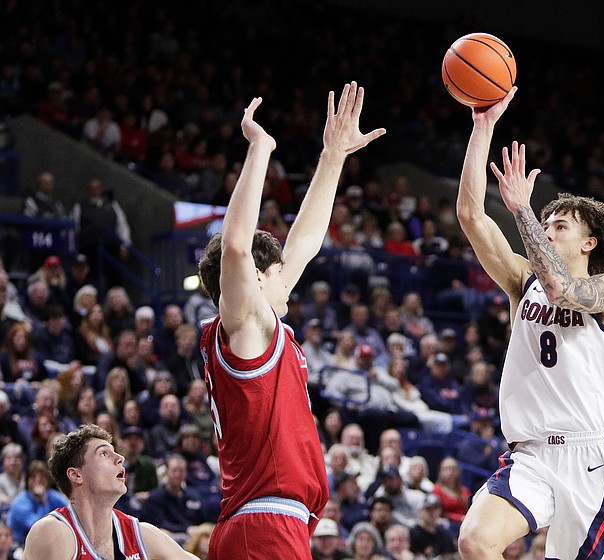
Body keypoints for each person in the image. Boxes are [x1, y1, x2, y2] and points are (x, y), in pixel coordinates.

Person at [196, 84, 385, 560]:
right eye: (280, 271)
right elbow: (236, 245)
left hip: (272, 521)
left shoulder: (261, 328)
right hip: (264, 521)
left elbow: (305, 241)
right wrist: (261, 149)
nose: (290, 276)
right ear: (256, 277)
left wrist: (333, 156)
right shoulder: (245, 326)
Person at [455, 87, 604, 560]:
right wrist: (482, 127)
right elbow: (470, 215)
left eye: (561, 225)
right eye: (545, 222)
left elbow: (562, 290)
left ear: (590, 243)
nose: (548, 229)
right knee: (475, 540)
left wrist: (524, 211)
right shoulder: (521, 281)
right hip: (529, 454)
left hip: (591, 459)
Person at [20, 424, 198, 559]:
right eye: (104, 454)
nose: (120, 459)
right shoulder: (53, 531)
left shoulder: (140, 533)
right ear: (76, 475)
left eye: (116, 453)